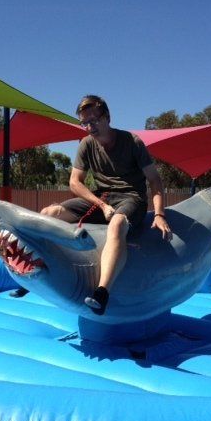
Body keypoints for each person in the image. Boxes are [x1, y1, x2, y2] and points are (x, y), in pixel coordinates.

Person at [32, 94, 172, 315]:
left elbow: (155, 180)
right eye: (84, 123)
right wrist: (101, 205)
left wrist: (159, 214)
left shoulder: (132, 142)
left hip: (131, 197)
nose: (89, 127)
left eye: (93, 121)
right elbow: (74, 183)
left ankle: (102, 293)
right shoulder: (87, 144)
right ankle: (39, 269)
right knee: (49, 212)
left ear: (107, 117)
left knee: (117, 224)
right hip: (102, 198)